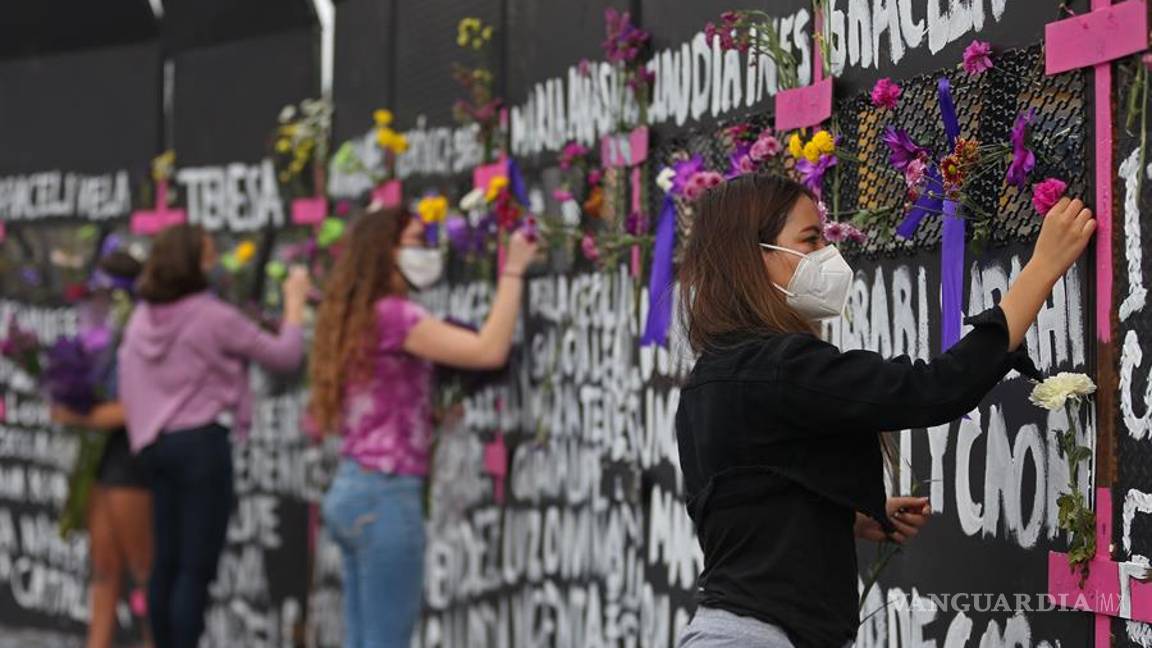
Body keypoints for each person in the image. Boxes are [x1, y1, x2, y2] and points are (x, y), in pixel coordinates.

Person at [674, 174, 1096, 648]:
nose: (827, 256)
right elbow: (935, 389)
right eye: (810, 240)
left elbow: (745, 504)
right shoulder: (780, 368)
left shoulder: (708, 381)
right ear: (754, 257)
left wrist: (844, 518)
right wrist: (1042, 269)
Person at [308, 206, 538, 648]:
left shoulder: (361, 313)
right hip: (386, 496)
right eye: (415, 241)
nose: (425, 251)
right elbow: (489, 350)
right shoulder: (395, 315)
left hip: (354, 488)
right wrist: (514, 271)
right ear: (385, 252)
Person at [117, 224, 311, 648]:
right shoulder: (213, 317)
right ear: (194, 262)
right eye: (208, 252)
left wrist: (144, 435)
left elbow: (128, 382)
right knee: (195, 567)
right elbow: (285, 355)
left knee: (164, 562)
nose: (216, 260)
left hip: (155, 446)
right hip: (203, 448)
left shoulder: (141, 320)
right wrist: (294, 305)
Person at [51, 250, 154, 648]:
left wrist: (80, 417)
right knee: (104, 567)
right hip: (99, 462)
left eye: (104, 295)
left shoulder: (141, 336)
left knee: (145, 569)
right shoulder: (92, 343)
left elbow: (137, 408)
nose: (95, 304)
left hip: (133, 461)